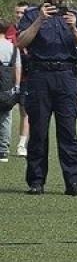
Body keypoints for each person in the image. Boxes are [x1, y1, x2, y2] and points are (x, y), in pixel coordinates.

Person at [14, 0, 77, 196]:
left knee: (68, 132)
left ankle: (74, 183)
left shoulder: (74, 15)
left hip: (66, 76)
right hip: (40, 76)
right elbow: (21, 42)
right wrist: (39, 20)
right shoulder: (31, 15)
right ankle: (36, 182)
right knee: (38, 132)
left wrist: (74, 29)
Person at [0, 14, 20, 164]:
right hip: (6, 85)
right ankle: (3, 150)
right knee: (6, 118)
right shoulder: (13, 47)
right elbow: (17, 67)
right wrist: (17, 85)